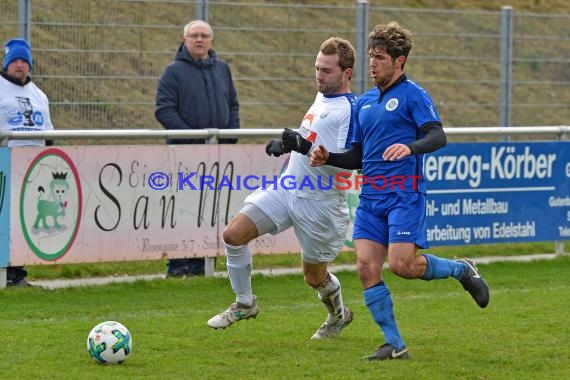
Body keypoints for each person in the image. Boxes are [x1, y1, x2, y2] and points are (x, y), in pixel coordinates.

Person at [310, 21, 490, 360]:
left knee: (403, 265)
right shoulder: (364, 103)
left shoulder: (413, 95)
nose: (373, 64)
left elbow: (438, 136)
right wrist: (329, 156)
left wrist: (410, 147)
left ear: (399, 62)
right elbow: (359, 155)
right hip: (371, 197)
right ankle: (394, 344)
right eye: (371, 57)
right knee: (365, 268)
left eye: (380, 57)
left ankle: (461, 269)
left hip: (404, 194)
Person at [207, 37, 358, 340]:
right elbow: (312, 139)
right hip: (288, 187)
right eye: (317, 68)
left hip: (320, 203)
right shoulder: (322, 97)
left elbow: (344, 166)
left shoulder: (351, 110)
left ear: (347, 74)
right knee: (233, 235)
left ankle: (338, 315)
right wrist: (288, 146)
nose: (319, 75)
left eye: (326, 70)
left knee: (314, 277)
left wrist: (303, 146)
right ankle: (245, 303)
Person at [155, 20, 240, 277]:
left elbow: (233, 105)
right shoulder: (173, 72)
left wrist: (229, 138)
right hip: (184, 155)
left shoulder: (222, 70)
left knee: (211, 207)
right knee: (183, 207)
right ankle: (179, 264)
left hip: (216, 157)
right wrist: (192, 141)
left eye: (204, 36)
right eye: (194, 36)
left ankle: (203, 262)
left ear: (211, 40)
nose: (199, 40)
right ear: (184, 39)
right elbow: (164, 110)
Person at [1, 38, 55, 287]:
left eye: (24, 61)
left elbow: (49, 134)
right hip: (5, 164)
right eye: (15, 61)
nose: (19, 65)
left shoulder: (39, 95)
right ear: (6, 63)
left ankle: (15, 273)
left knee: (22, 220)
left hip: (33, 168)